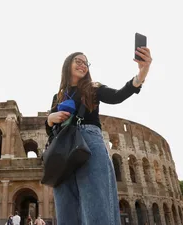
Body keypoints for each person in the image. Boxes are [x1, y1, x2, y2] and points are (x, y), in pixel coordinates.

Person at [45, 47, 152, 224]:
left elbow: (118, 96)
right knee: (65, 205)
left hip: (89, 143)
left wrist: (142, 73)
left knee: (96, 201)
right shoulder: (59, 96)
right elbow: (51, 130)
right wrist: (50, 118)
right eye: (78, 61)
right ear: (67, 65)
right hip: (62, 148)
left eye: (85, 63)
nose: (83, 65)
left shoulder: (93, 88)